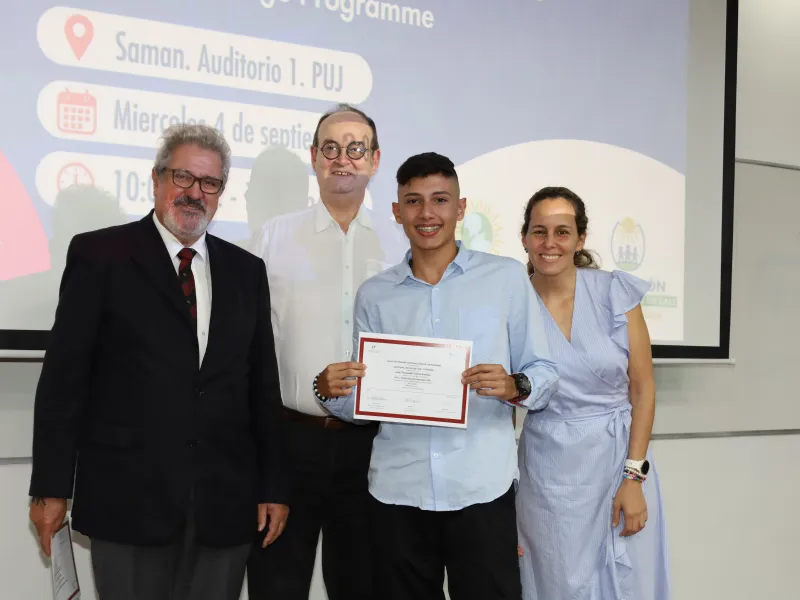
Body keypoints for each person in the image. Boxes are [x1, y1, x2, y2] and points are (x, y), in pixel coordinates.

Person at [27, 123, 290, 600]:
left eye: (209, 183)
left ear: (221, 193)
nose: (195, 193)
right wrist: (50, 487)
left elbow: (261, 389)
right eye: (183, 177)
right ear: (156, 178)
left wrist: (273, 486)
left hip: (223, 504)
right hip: (128, 499)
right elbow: (64, 380)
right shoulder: (100, 255)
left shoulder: (246, 271)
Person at [315, 152, 559, 600]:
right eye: (413, 201)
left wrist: (513, 386)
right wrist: (329, 391)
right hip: (398, 491)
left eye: (440, 200)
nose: (427, 213)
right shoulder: (376, 295)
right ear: (397, 212)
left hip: (480, 487)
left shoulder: (505, 278)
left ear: (460, 208)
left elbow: (544, 372)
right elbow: (364, 403)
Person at [247, 104, 408, 600]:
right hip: (289, 443)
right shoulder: (271, 238)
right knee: (276, 585)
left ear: (374, 160)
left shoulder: (401, 244)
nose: (343, 159)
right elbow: (248, 346)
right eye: (331, 148)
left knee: (361, 586)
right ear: (315, 157)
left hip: (373, 448)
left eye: (356, 149)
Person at [515, 186, 670, 600]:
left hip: (618, 463)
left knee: (626, 585)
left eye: (562, 232)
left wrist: (633, 477)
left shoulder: (613, 292)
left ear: (580, 239)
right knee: (555, 583)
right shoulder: (513, 303)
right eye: (539, 231)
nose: (550, 243)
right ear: (525, 238)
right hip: (546, 474)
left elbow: (643, 388)